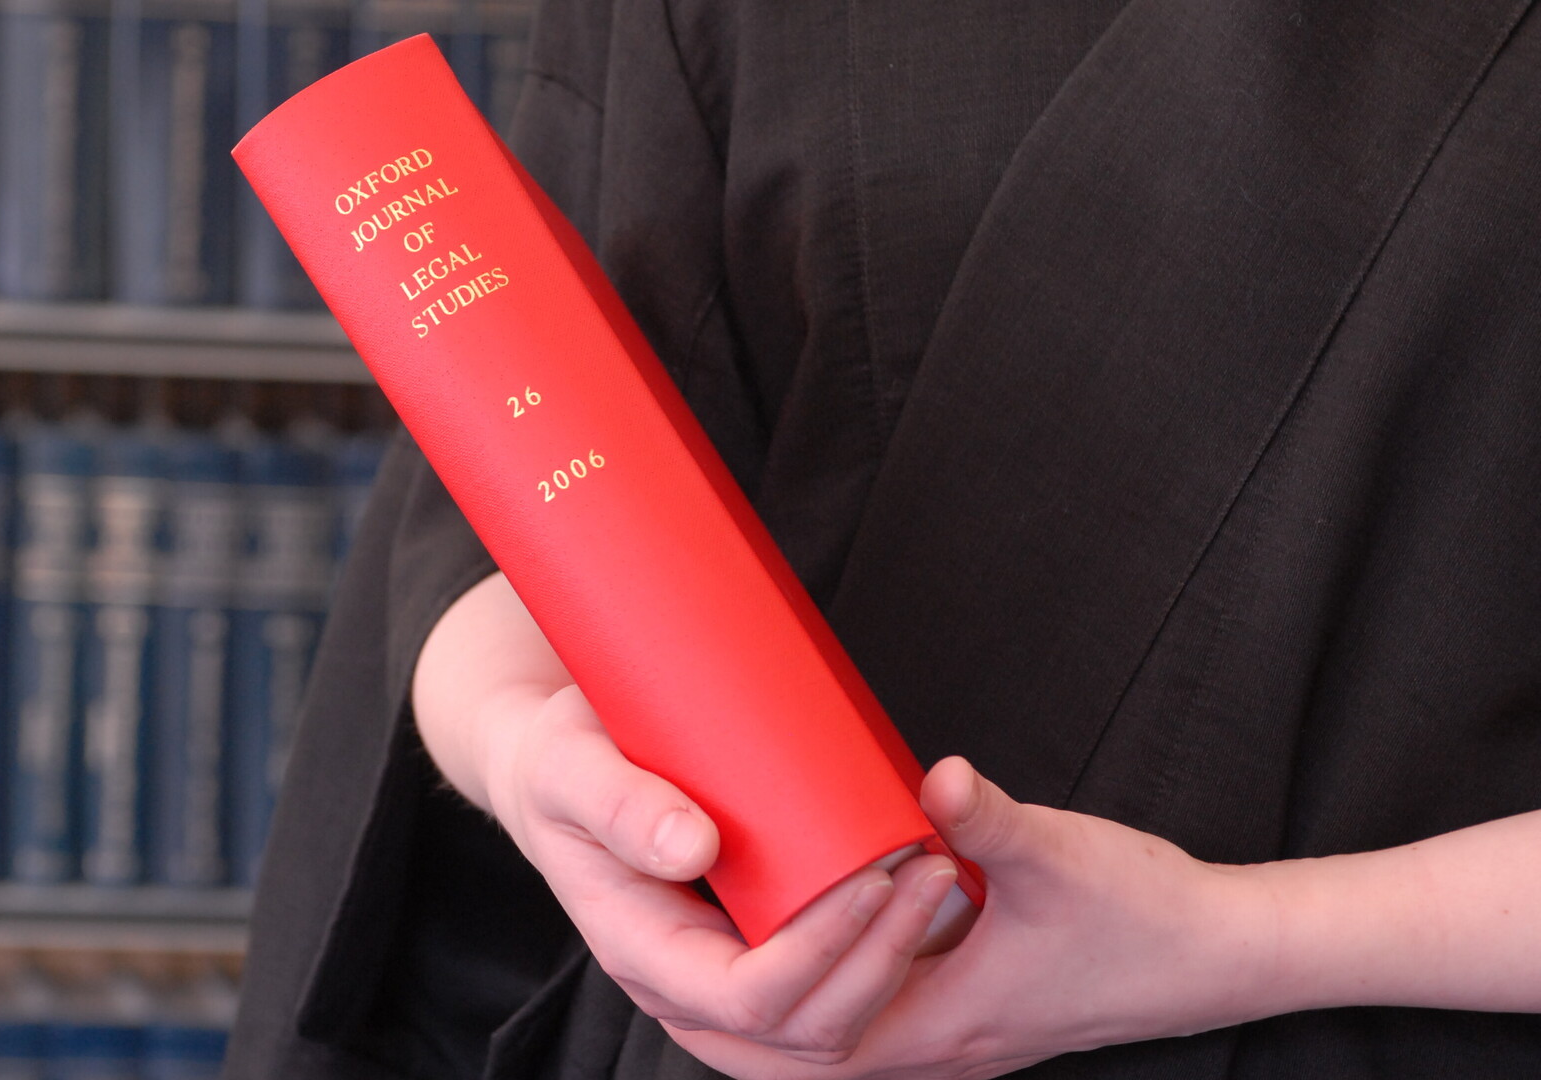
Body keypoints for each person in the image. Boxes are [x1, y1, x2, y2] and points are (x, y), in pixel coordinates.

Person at [222, 0, 1541, 1076]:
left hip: (1387, 1027)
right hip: (762, 1007)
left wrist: (1241, 942)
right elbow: (514, 478)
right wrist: (527, 758)